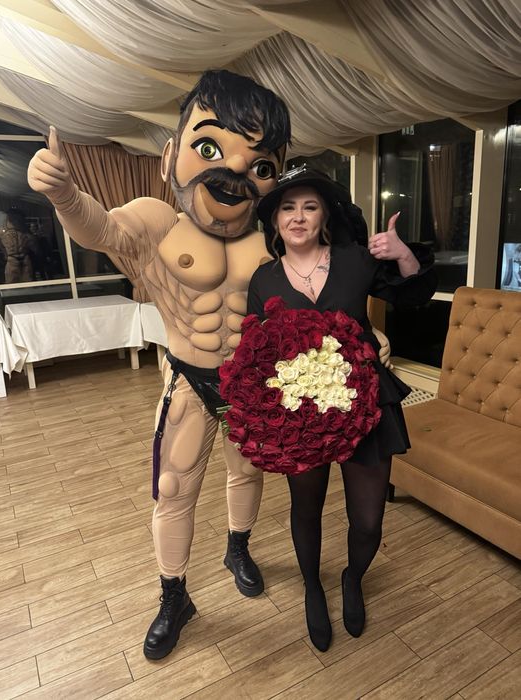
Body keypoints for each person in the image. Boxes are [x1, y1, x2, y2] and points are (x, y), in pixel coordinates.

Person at [27, 69, 291, 660]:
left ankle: (238, 549)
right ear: (171, 155)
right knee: (173, 491)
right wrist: (65, 195)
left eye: (260, 164)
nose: (235, 171)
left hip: (251, 382)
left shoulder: (274, 237)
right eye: (209, 147)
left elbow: (310, 295)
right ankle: (175, 596)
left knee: (248, 474)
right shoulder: (157, 222)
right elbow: (100, 228)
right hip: (190, 380)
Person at [248, 167, 436, 651]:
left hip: (366, 402)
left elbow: (413, 297)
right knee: (305, 507)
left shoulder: (355, 260)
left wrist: (404, 255)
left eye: (309, 207)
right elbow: (260, 350)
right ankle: (313, 587)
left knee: (369, 520)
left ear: (324, 217)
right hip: (301, 415)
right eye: (288, 208)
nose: (298, 217)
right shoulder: (264, 279)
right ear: (275, 221)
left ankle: (353, 578)